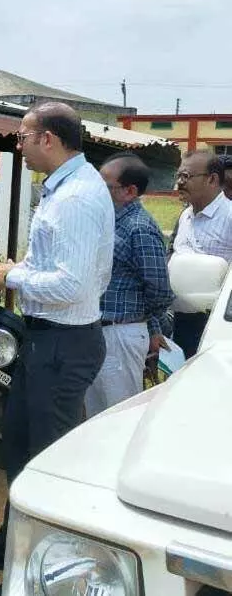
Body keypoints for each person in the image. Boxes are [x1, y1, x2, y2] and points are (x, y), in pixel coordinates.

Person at [0, 103, 113, 592]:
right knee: (21, 452)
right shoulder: (64, 190)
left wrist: (12, 275)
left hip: (64, 344)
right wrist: (22, 269)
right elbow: (60, 264)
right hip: (43, 340)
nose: (17, 145)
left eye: (23, 137)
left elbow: (71, 285)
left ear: (48, 138)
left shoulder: (78, 198)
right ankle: (13, 546)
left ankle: (42, 573)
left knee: (47, 463)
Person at [86, 153, 174, 417]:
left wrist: (151, 323)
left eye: (105, 186)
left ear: (130, 191)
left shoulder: (140, 228)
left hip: (120, 335)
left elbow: (159, 290)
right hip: (100, 331)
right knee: (94, 417)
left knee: (117, 414)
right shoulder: (111, 222)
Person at [169, 151, 232, 356]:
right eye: (178, 176)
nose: (179, 182)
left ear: (212, 179)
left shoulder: (229, 216)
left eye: (186, 176)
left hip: (217, 324)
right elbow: (172, 252)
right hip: (181, 318)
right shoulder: (185, 215)